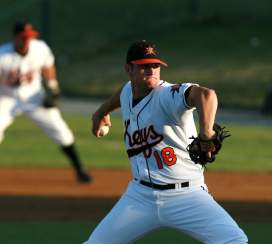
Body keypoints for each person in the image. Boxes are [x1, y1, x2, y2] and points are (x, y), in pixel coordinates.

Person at [84, 40, 248, 243]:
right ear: (129, 69)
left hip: (187, 196)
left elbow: (207, 95)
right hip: (140, 197)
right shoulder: (128, 90)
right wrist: (102, 111)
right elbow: (123, 94)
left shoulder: (167, 95)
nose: (151, 70)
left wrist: (206, 134)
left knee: (234, 241)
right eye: (144, 66)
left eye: (155, 65)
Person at [0, 21, 91, 183]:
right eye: (23, 37)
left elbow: (48, 66)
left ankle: (79, 170)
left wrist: (53, 87)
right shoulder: (3, 56)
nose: (27, 40)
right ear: (14, 38)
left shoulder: (40, 48)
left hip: (34, 97)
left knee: (60, 130)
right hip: (6, 98)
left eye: (29, 37)